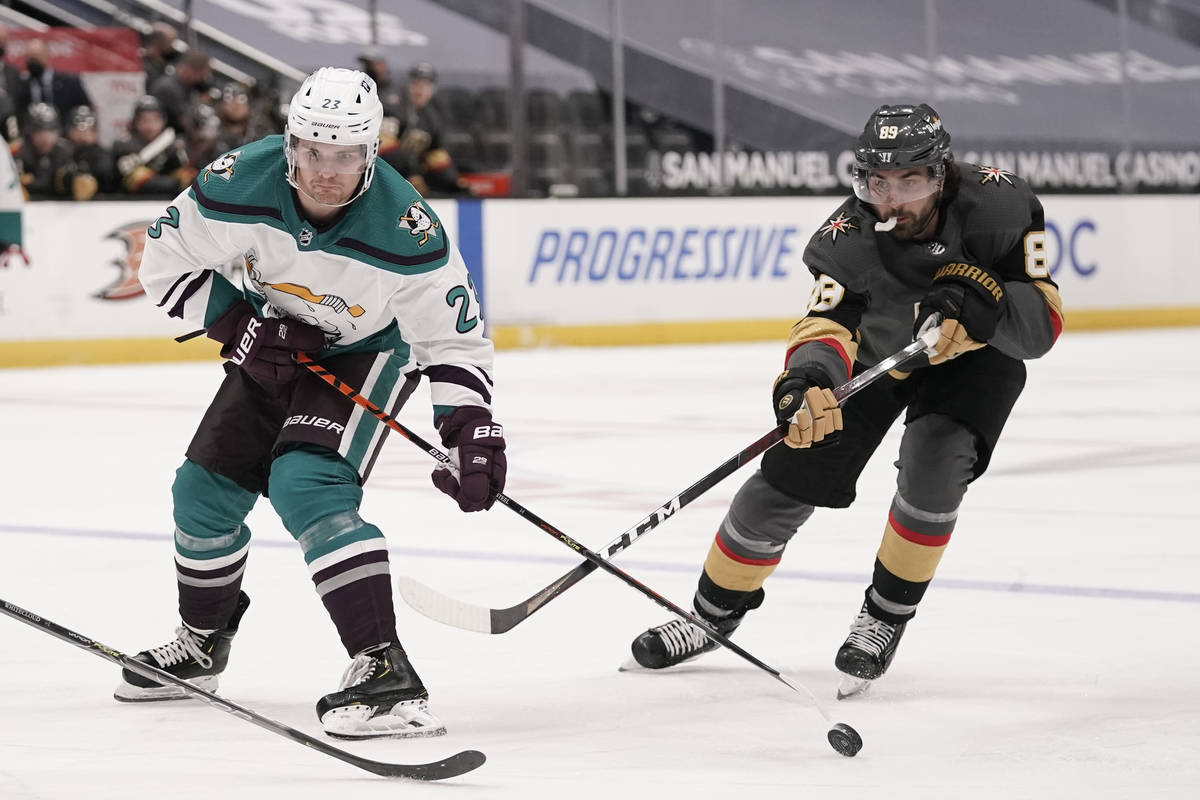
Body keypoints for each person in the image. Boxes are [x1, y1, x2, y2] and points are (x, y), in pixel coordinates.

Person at [119, 67, 506, 740]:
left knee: (307, 483)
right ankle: (202, 641)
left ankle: (383, 668)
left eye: (348, 156)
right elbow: (162, 260)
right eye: (315, 153)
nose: (329, 171)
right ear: (291, 143)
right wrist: (238, 326)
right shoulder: (239, 180)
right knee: (201, 493)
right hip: (269, 340)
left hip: (366, 352)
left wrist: (469, 426)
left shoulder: (408, 230)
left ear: (371, 154)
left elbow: (454, 340)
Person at [627, 104, 1065, 698]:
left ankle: (884, 617)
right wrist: (807, 382)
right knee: (783, 480)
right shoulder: (846, 236)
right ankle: (710, 615)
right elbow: (826, 322)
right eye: (877, 182)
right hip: (875, 356)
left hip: (974, 357)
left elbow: (1040, 326)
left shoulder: (1001, 204)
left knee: (934, 463)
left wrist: (987, 308)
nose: (890, 199)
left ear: (939, 174)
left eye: (909, 181)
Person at [379, 62, 472, 196]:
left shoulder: (432, 117)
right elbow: (384, 146)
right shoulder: (391, 103)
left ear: (433, 89)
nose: (420, 89)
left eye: (426, 85)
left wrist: (455, 183)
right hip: (378, 177)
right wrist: (413, 173)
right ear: (408, 85)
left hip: (404, 178)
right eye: (416, 83)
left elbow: (435, 154)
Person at [113, 95, 194, 196]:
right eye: (145, 120)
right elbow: (136, 182)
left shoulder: (171, 145)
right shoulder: (124, 145)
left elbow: (187, 178)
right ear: (135, 122)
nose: (150, 125)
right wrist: (173, 183)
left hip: (168, 204)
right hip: (130, 203)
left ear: (163, 121)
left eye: (155, 120)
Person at [16, 39, 92, 127]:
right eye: (30, 58)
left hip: (65, 134)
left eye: (36, 57)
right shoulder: (20, 85)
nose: (33, 62)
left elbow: (85, 110)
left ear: (47, 56)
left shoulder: (70, 83)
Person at [14, 102, 73, 198]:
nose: (46, 137)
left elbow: (66, 181)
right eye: (40, 131)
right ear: (29, 133)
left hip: (58, 207)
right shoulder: (18, 153)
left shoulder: (65, 151)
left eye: (51, 131)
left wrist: (73, 181)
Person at [63, 105, 116, 199]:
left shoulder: (102, 154)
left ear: (95, 132)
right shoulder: (62, 150)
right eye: (77, 129)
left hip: (100, 204)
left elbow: (106, 176)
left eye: (88, 130)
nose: (83, 133)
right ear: (69, 131)